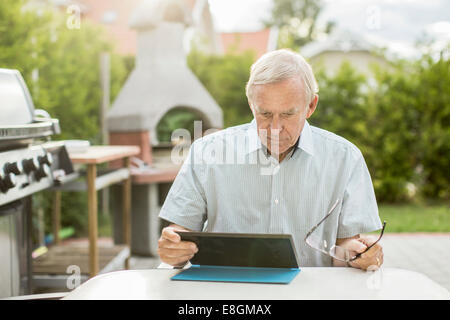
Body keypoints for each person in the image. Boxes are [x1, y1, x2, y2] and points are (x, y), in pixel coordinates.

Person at [157, 49, 384, 270]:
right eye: (265, 114)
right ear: (251, 105)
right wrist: (174, 251)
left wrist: (357, 255)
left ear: (311, 106)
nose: (275, 128)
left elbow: (345, 247)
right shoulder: (206, 153)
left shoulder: (345, 158)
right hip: (228, 294)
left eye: (287, 114)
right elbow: (180, 234)